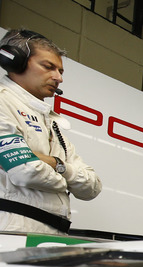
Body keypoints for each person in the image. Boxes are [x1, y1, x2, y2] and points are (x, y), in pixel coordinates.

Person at [0, 29, 102, 234]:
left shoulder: (51, 120)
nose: (58, 78)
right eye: (48, 67)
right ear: (14, 62)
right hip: (12, 230)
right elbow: (26, 171)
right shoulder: (3, 102)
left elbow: (92, 187)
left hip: (51, 231)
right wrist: (69, 179)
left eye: (60, 71)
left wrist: (56, 164)